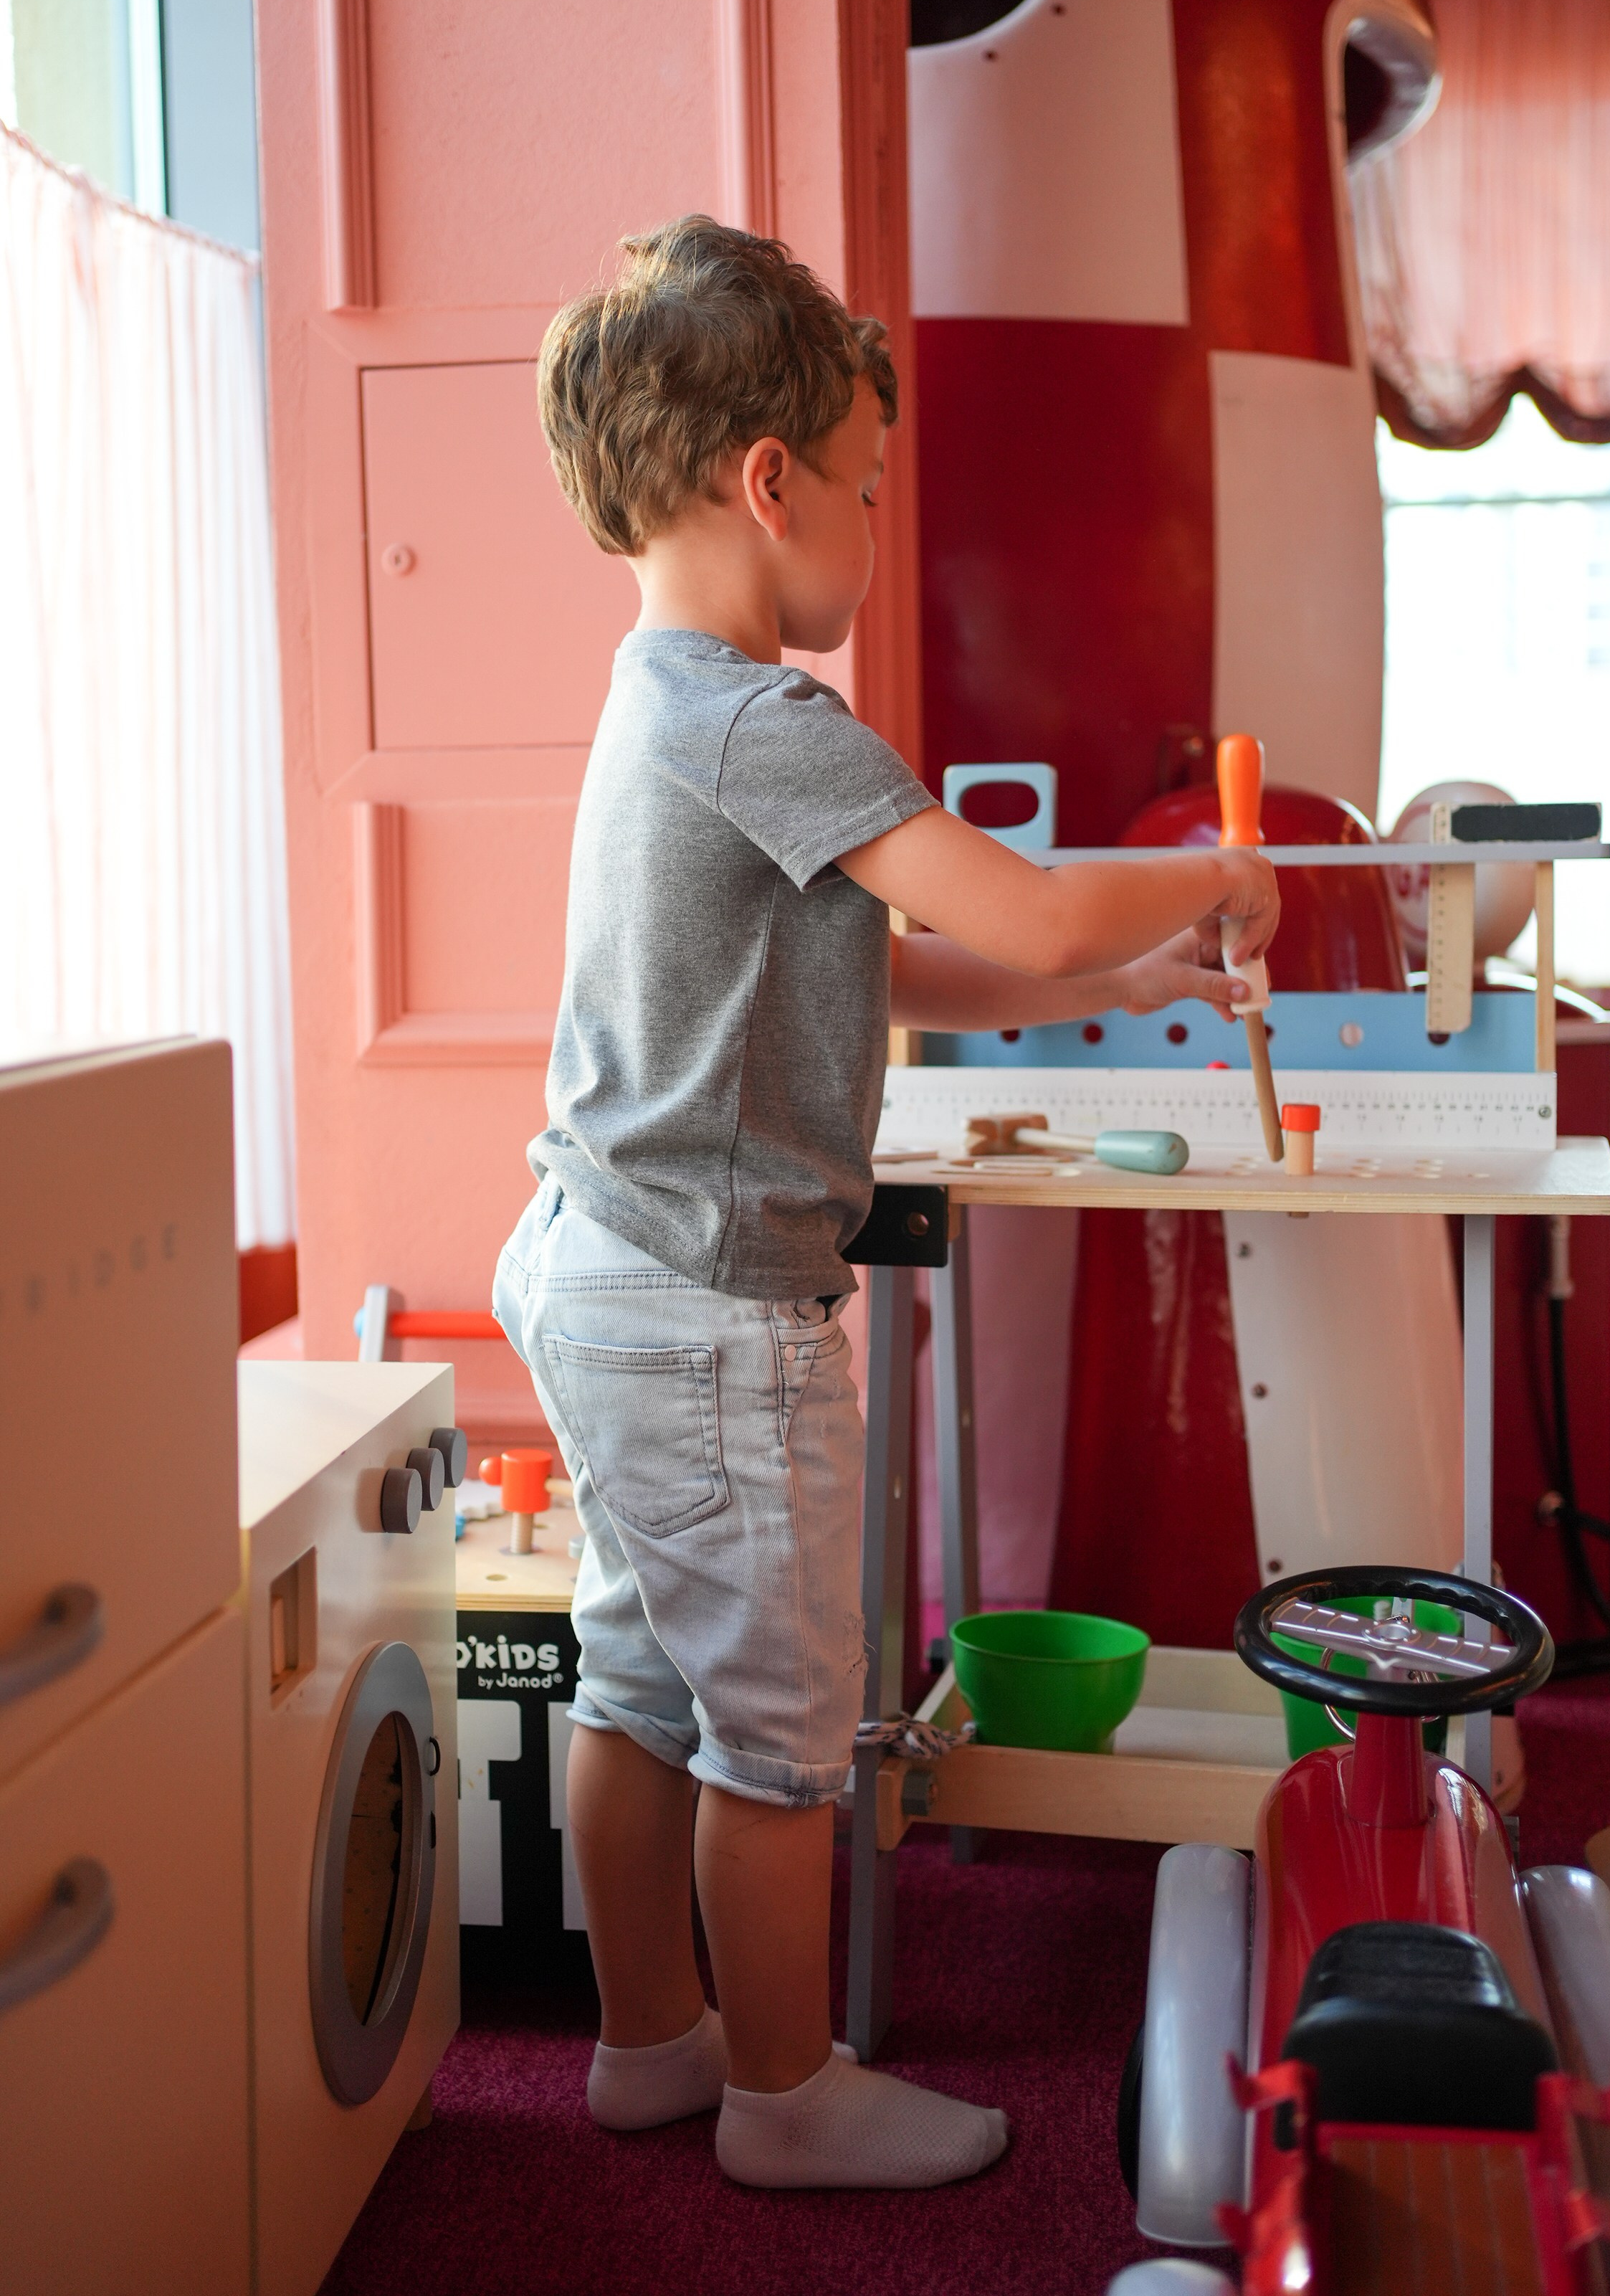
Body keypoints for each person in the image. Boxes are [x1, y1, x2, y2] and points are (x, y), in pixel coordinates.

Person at [492, 216, 1279, 2192]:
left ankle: (652, 2045)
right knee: (781, 1728)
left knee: (640, 1686)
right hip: (707, 1304)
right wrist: (1212, 875)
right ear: (771, 484)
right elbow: (1019, 898)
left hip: (599, 1265)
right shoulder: (764, 721)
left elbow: (893, 962)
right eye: (864, 485)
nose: (870, 522)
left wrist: (1117, 985)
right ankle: (786, 2092)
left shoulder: (664, 702)